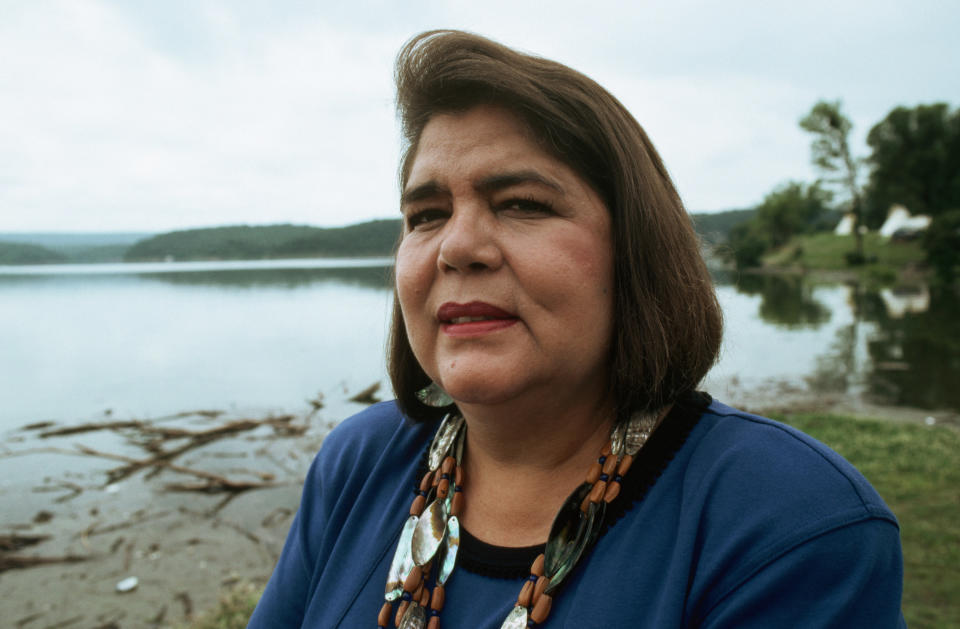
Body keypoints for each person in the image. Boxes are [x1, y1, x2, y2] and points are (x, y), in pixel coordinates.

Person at [248, 30, 905, 628]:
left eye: (523, 203)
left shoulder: (792, 522)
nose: (456, 246)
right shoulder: (358, 461)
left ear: (634, 251)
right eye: (426, 213)